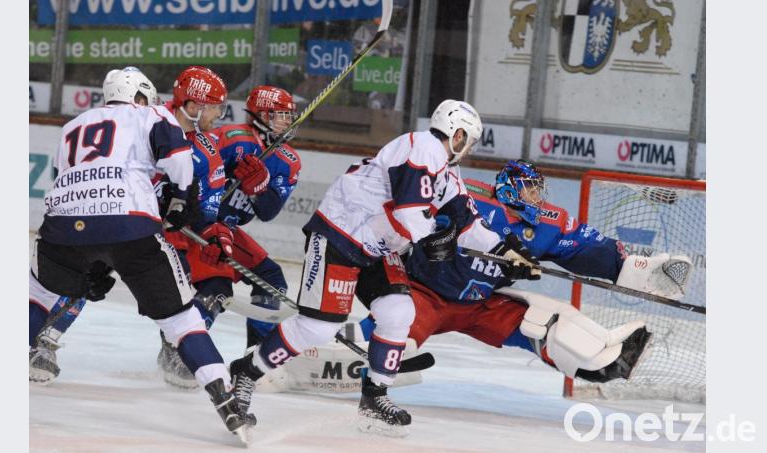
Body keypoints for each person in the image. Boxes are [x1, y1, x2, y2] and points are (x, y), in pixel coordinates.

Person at [222, 99, 537, 437]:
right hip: (340, 236)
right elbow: (409, 214)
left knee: (399, 311)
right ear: (457, 134)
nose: (469, 148)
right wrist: (438, 239)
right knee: (318, 328)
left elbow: (469, 223)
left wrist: (507, 253)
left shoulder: (445, 169)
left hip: (377, 246)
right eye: (469, 140)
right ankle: (247, 372)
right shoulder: (422, 148)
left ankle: (374, 396)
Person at [28, 66, 245, 437]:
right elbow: (179, 163)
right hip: (131, 225)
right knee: (181, 319)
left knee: (38, 293)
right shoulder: (154, 115)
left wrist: (92, 263)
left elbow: (70, 180)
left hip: (63, 225)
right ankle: (224, 397)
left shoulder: (72, 126)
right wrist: (179, 199)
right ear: (141, 98)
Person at [393, 160, 690, 382]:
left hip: (480, 305)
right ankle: (365, 358)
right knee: (394, 336)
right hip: (424, 294)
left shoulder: (546, 223)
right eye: (530, 190)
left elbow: (581, 246)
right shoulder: (465, 196)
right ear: (510, 189)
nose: (537, 197)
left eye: (538, 190)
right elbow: (415, 214)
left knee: (545, 325)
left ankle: (603, 364)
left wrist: (629, 267)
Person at [155, 83, 302, 389]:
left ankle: (255, 359)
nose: (287, 123)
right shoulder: (233, 138)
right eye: (280, 116)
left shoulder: (288, 160)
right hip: (201, 225)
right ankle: (178, 349)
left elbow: (268, 211)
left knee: (272, 280)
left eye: (289, 116)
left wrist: (259, 187)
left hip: (229, 230)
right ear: (260, 114)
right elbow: (195, 167)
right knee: (217, 285)